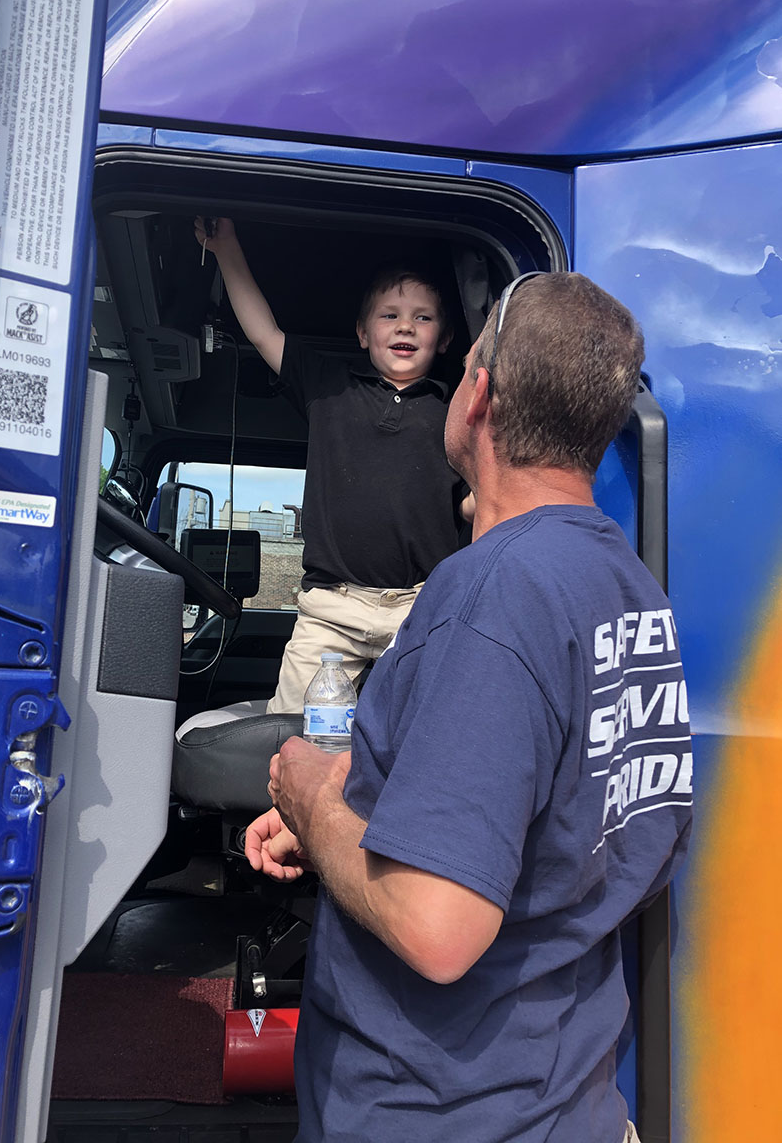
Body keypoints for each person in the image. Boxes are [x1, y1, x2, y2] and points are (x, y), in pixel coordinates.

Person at [245, 271, 693, 1143]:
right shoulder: (630, 588)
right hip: (569, 1104)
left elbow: (437, 927)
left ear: (478, 394)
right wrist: (356, 806)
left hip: (441, 1113)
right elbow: (566, 817)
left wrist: (310, 797)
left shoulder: (491, 597)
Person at [194, 216, 468, 714]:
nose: (405, 326)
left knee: (426, 733)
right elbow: (264, 333)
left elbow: (471, 503)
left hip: (422, 609)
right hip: (331, 608)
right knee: (290, 730)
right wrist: (226, 249)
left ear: (445, 339)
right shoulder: (329, 386)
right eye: (389, 315)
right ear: (363, 333)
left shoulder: (456, 413)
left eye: (423, 318)